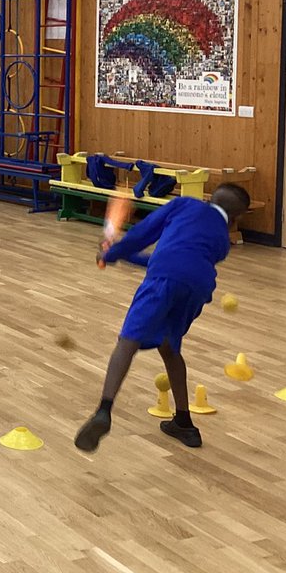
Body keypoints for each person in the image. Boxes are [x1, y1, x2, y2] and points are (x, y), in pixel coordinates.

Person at [74, 184, 252, 452]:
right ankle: (183, 422)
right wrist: (121, 255)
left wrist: (111, 252)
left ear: (207, 198)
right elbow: (172, 261)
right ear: (236, 218)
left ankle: (104, 410)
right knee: (170, 348)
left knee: (127, 342)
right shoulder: (222, 241)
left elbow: (144, 236)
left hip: (163, 282)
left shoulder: (185, 205)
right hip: (197, 289)